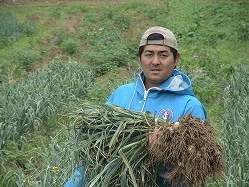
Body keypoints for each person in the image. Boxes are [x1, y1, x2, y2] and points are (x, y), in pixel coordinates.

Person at [65, 26, 206, 187]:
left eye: (163, 55)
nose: (155, 61)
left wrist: (164, 156)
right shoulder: (120, 95)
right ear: (140, 58)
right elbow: (91, 156)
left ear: (176, 59)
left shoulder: (190, 107)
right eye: (149, 54)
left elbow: (194, 176)